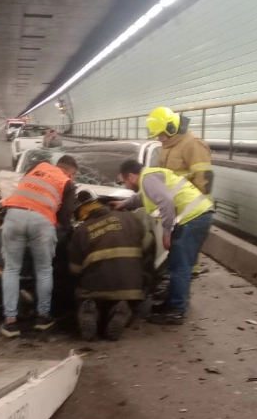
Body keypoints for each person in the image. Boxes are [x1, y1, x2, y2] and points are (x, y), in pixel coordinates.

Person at [113, 160, 213, 325]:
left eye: (124, 181)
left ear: (131, 176)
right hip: (198, 216)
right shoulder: (149, 177)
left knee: (180, 266)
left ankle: (176, 311)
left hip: (193, 218)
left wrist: (167, 232)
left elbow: (166, 201)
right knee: (178, 264)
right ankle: (174, 304)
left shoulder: (147, 178)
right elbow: (143, 198)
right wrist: (123, 204)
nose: (125, 186)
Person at [0, 155, 78, 337]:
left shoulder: (38, 166)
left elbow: (22, 186)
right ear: (71, 173)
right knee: (43, 270)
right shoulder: (67, 183)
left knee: (11, 269)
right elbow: (65, 218)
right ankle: (43, 317)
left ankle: (10, 321)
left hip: (14, 214)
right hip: (41, 220)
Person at [68, 190, 154, 340]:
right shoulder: (129, 218)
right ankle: (123, 308)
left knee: (84, 295)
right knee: (128, 297)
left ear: (79, 213)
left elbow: (75, 270)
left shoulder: (81, 232)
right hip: (130, 287)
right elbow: (149, 244)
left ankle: (89, 308)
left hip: (94, 288)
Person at [147, 106, 213, 276]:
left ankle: (186, 277)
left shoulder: (193, 144)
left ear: (171, 128)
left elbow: (203, 179)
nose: (159, 139)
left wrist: (196, 212)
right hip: (175, 204)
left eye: (161, 134)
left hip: (190, 207)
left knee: (185, 245)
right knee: (182, 247)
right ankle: (187, 273)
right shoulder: (167, 144)